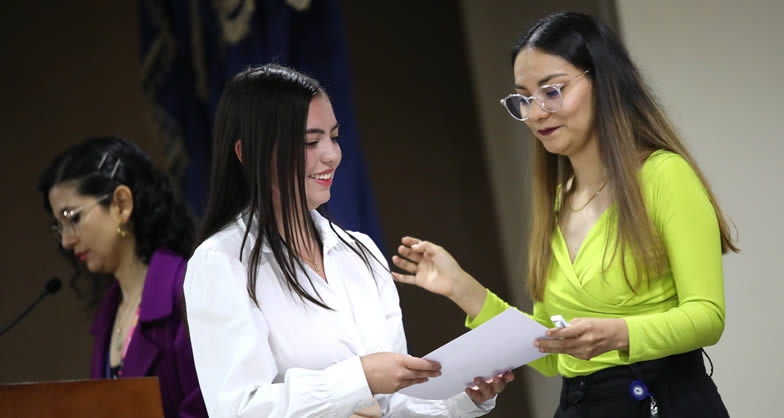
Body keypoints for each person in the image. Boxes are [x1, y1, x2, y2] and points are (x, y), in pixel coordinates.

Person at [391, 12, 736, 418]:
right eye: (523, 98)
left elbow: (708, 317)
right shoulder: (558, 200)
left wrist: (618, 334)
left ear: (604, 82)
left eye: (552, 91)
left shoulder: (663, 175)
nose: (535, 113)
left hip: (659, 399)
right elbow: (551, 355)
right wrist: (460, 287)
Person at [182, 64, 512, 417]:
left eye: (334, 137)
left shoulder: (360, 251)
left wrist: (464, 400)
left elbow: (394, 406)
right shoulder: (222, 261)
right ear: (248, 154)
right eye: (310, 141)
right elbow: (239, 409)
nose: (332, 155)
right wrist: (361, 378)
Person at [38, 136, 208, 418]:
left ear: (121, 204)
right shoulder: (110, 312)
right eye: (59, 227)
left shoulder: (186, 289)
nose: (66, 241)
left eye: (72, 218)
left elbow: (209, 407)